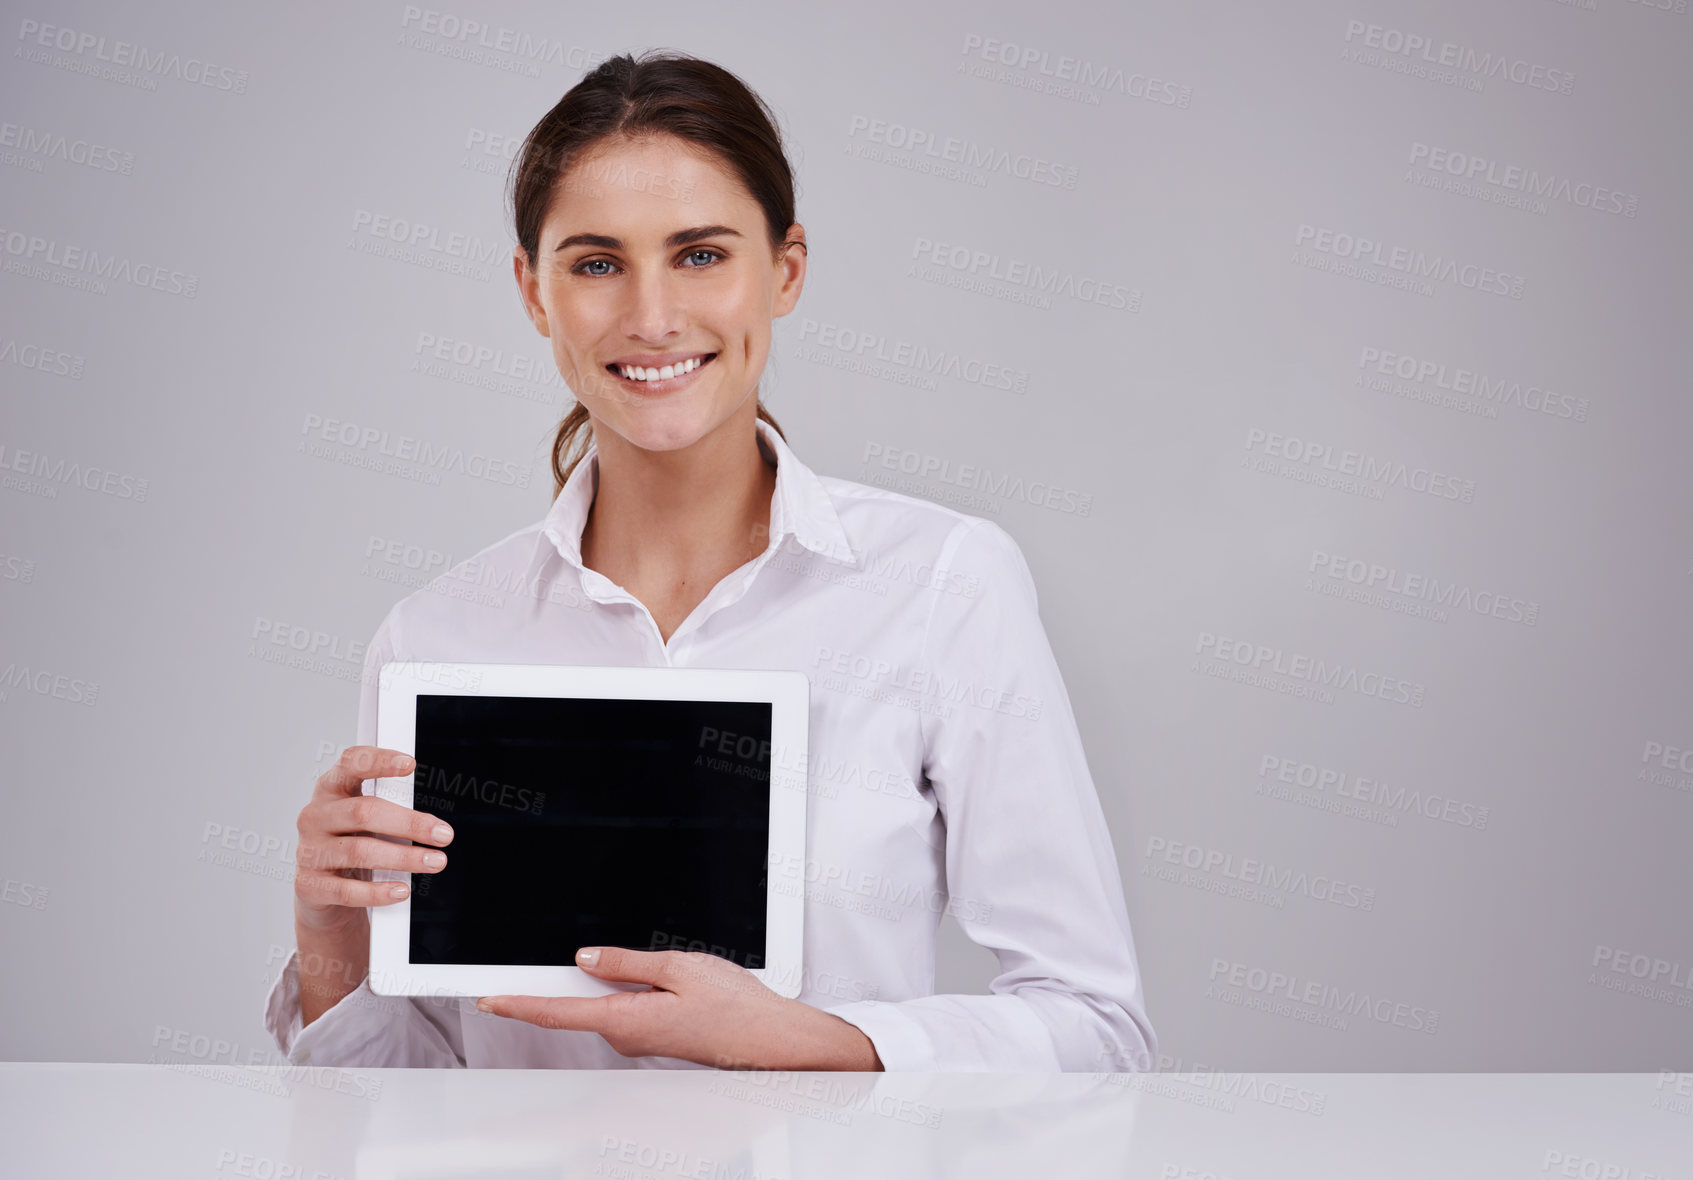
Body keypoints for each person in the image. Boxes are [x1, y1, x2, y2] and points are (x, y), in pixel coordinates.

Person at [264, 50, 1157, 1072]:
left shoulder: (940, 585)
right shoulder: (440, 634)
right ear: (532, 290)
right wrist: (328, 931)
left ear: (785, 269)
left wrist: (810, 1039)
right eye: (596, 263)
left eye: (700, 255)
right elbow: (393, 1105)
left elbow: (1096, 1027)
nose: (651, 316)